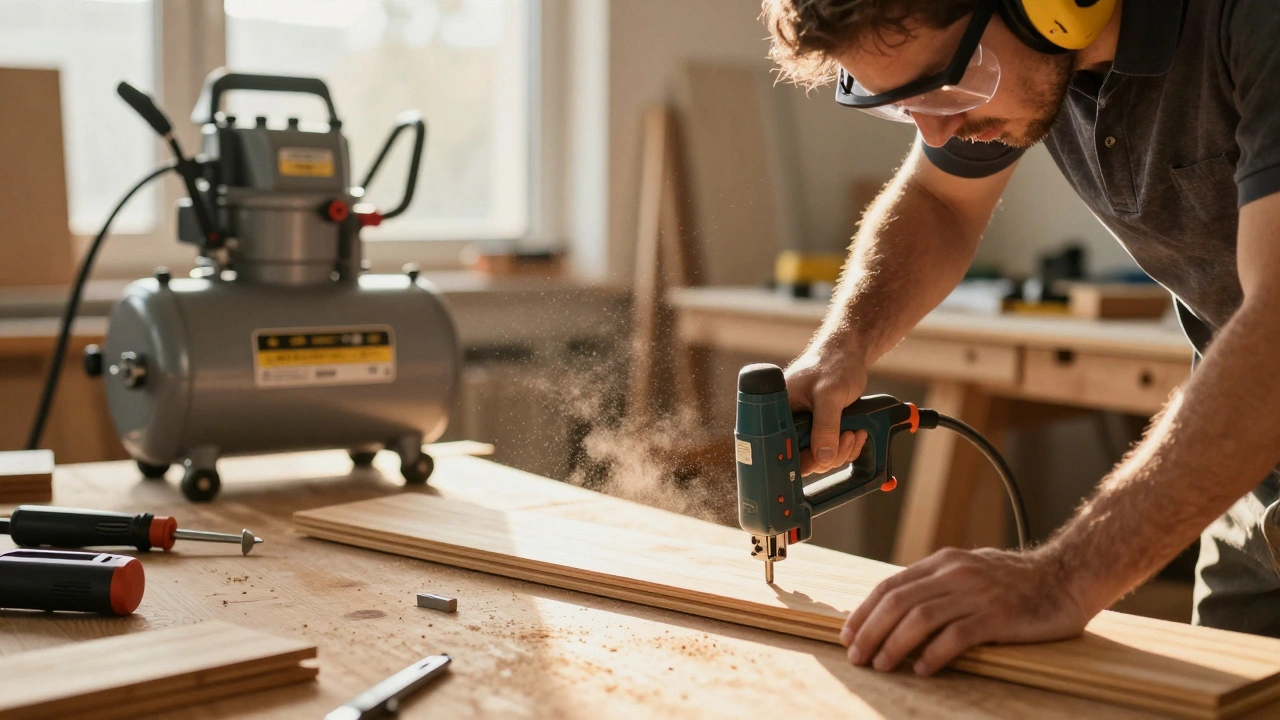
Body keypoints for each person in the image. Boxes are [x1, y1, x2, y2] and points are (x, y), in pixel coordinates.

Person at [760, 0, 1280, 677]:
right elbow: (940, 201)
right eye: (902, 102)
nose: (936, 129)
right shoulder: (1040, 59)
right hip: (1247, 484)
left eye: (945, 82)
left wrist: (1062, 580)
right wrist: (843, 346)